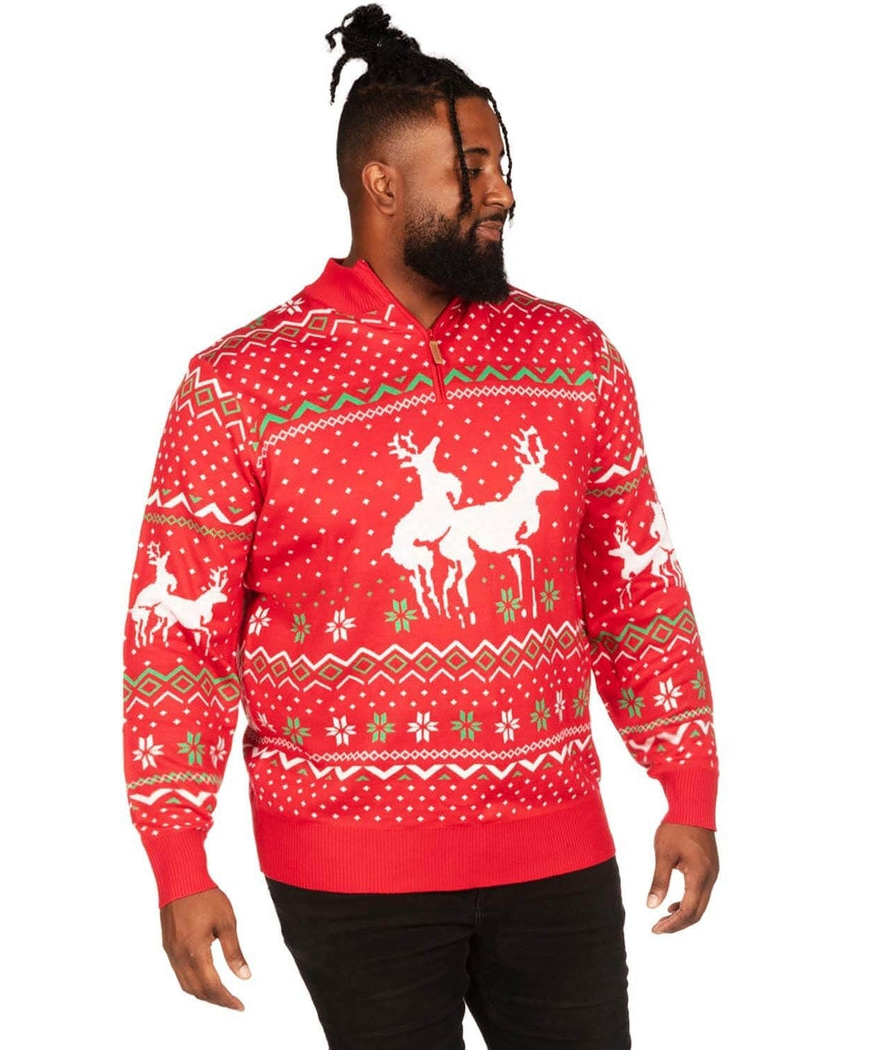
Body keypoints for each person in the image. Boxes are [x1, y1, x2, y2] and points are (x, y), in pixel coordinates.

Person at [122, 5, 720, 1046]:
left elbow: (637, 589)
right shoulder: (239, 386)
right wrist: (179, 860)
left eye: (501, 166)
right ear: (383, 184)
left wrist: (688, 784)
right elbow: (178, 641)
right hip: (347, 875)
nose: (504, 192)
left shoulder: (574, 358)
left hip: (559, 855)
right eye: (473, 168)